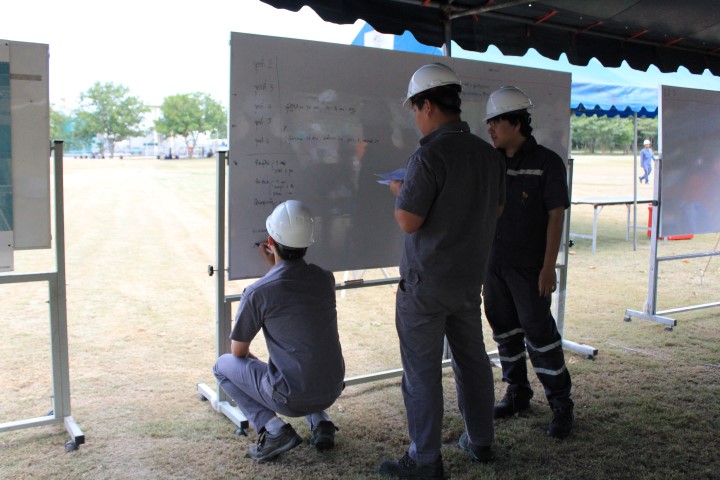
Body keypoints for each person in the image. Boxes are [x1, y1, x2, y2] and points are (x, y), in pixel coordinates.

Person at [378, 63, 506, 479]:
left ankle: (425, 461)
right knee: (472, 361)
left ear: (428, 105)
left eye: (415, 109)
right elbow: (496, 210)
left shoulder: (428, 155)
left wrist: (400, 192)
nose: (416, 118)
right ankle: (481, 440)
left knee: (422, 373)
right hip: (468, 281)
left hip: (426, 284)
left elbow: (408, 221)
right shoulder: (488, 155)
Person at [213, 200, 345, 462]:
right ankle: (321, 422)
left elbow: (238, 351)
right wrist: (276, 267)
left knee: (222, 366)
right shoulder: (325, 279)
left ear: (270, 241)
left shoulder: (259, 292)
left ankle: (273, 430)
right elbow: (293, 291)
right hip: (332, 387)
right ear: (308, 243)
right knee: (305, 358)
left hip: (291, 397)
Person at [482, 85, 574, 439]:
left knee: (539, 333)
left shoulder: (547, 162)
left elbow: (556, 216)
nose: (490, 129)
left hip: (530, 268)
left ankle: (561, 404)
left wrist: (548, 267)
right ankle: (517, 391)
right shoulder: (492, 161)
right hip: (494, 264)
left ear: (516, 123)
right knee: (503, 328)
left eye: (496, 122)